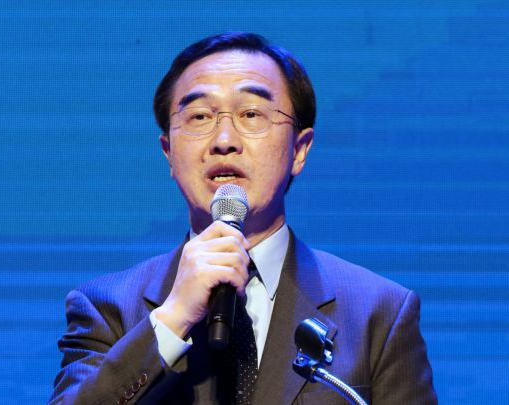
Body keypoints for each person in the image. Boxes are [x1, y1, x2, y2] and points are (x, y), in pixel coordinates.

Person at [49, 32, 437, 404]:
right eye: (199, 116)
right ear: (168, 152)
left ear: (299, 150)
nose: (224, 140)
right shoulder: (107, 309)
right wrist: (171, 320)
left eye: (251, 113)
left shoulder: (379, 314)